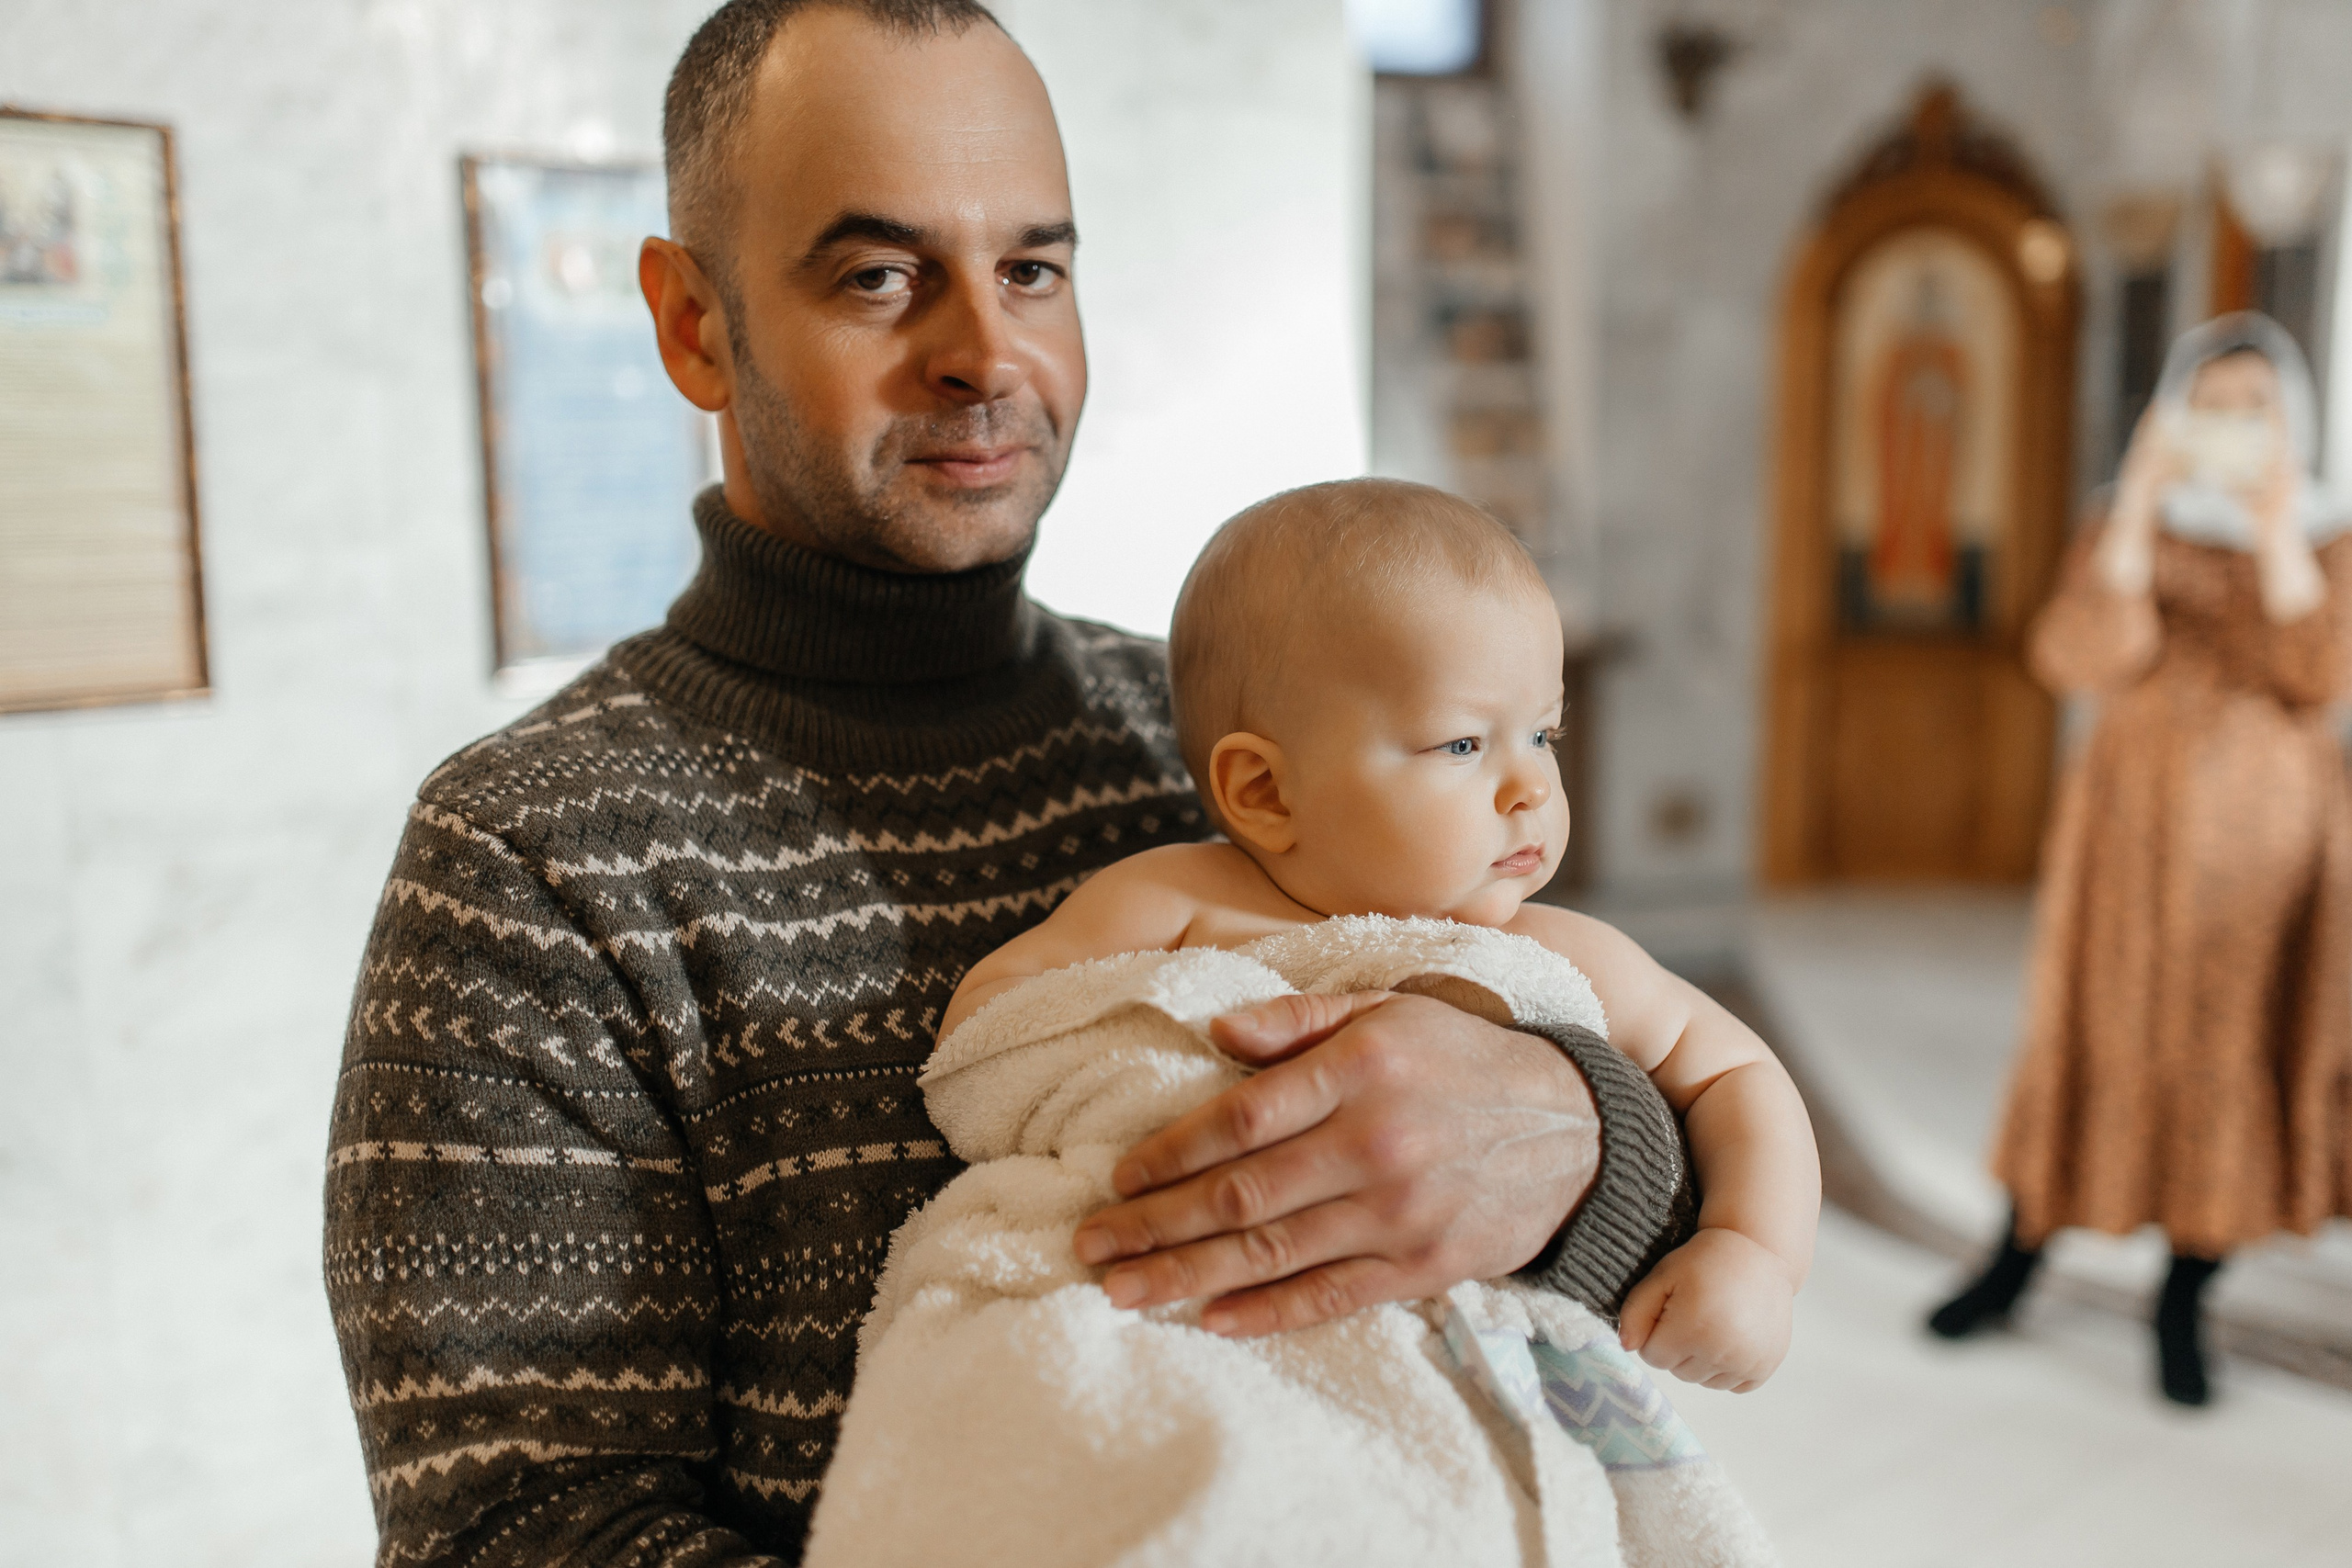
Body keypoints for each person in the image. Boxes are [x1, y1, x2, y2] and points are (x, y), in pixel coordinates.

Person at [322, 4, 1696, 1562]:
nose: (986, 352)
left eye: (1033, 269)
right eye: (878, 276)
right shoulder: (530, 858)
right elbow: (514, 1529)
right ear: (695, 324)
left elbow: (1661, 1194)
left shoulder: (1245, 743)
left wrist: (1580, 1127)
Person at [799, 481, 1805, 1568]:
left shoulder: (1563, 953)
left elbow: (1735, 1075)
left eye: (1543, 734)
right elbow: (995, 1035)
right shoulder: (1175, 899)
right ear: (1265, 793)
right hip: (1166, 1306)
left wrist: (1753, 1249)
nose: (1530, 788)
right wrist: (1161, 1078)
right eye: (1462, 745)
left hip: (1441, 1358)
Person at [1927, 312, 2352, 1406]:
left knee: (2225, 1045)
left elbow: (2323, 676)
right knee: (2090, 1021)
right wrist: (2131, 510)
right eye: (2211, 406)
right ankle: (2015, 1258)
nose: (2232, 426)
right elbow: (2072, 657)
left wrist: (2274, 534)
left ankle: (2184, 1297)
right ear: (2172, 414)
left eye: (2253, 408)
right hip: (2127, 824)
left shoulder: (2326, 531)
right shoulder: (2129, 518)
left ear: (2290, 420)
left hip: (2264, 841)